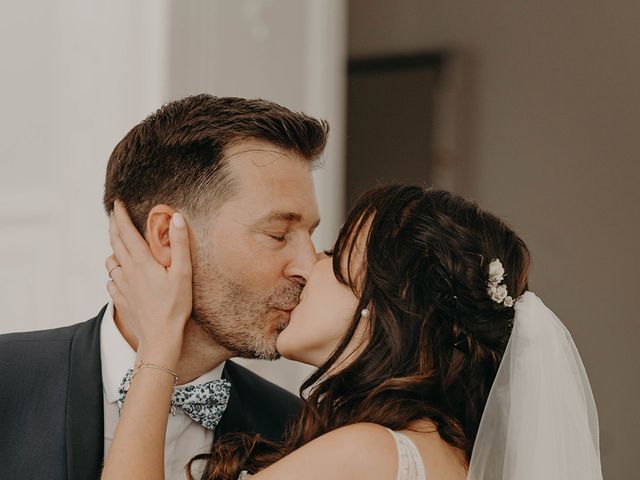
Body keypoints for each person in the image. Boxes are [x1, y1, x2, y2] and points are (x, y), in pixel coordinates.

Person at [103, 185, 603, 479]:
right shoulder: (441, 455)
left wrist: (159, 340)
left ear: (378, 310)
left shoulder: (370, 454)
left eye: (335, 257)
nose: (306, 266)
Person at [0, 94, 330, 479]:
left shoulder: (298, 433)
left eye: (310, 235)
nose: (310, 266)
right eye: (278, 234)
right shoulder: (10, 380)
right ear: (166, 237)